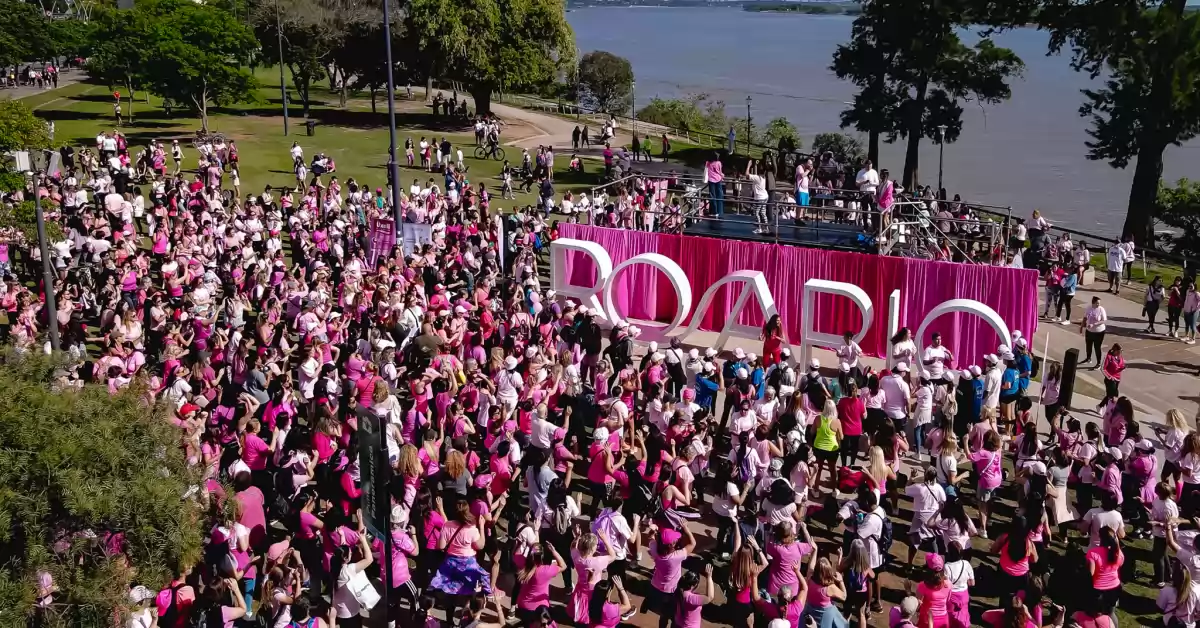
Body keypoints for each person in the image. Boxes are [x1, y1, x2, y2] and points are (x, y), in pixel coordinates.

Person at [1080, 296, 1108, 367]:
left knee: (1097, 347)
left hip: (1099, 332)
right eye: (1097, 303)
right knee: (1088, 345)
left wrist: (1094, 324)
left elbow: (1104, 320)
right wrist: (1081, 326)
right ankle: (1088, 358)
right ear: (1093, 303)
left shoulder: (1101, 309)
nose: (1098, 304)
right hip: (1089, 331)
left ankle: (1098, 363)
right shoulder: (1089, 308)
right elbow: (1085, 317)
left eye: (1099, 303)